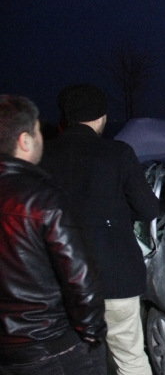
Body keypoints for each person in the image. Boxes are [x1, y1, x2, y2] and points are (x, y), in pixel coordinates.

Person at [40, 85, 159, 375]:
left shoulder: (44, 156)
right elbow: (148, 210)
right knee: (130, 356)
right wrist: (116, 214)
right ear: (102, 116)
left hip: (62, 282)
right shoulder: (117, 153)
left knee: (76, 362)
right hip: (115, 278)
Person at [0, 95, 107, 375]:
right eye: (37, 132)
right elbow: (79, 277)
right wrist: (93, 334)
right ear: (24, 140)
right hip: (52, 345)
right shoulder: (42, 199)